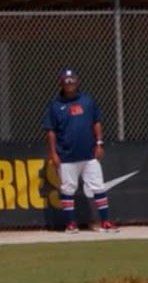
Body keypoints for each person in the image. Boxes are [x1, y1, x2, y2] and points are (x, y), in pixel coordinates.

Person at [43, 68, 117, 234]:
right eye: (66, 81)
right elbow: (50, 131)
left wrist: (99, 143)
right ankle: (70, 224)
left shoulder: (87, 101)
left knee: (98, 186)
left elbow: (96, 122)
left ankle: (105, 221)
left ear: (77, 81)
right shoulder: (55, 105)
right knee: (68, 189)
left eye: (72, 80)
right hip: (66, 156)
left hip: (88, 153)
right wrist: (53, 153)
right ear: (61, 83)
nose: (70, 83)